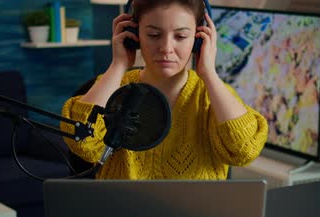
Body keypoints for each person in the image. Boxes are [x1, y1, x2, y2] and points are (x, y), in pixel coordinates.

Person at [61, 0, 268, 180]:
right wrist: (118, 65)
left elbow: (245, 151)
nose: (166, 48)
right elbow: (83, 145)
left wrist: (209, 74)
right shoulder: (115, 87)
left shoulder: (211, 95)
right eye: (153, 34)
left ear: (198, 39)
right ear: (133, 34)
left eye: (180, 37)